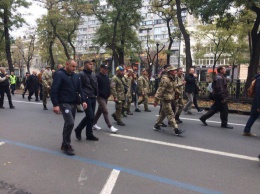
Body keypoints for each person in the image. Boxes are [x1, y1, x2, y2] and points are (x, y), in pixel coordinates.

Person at [51, 59, 87, 156]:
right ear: (67, 64)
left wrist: (83, 100)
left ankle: (64, 143)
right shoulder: (59, 75)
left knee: (68, 124)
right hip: (64, 103)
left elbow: (80, 89)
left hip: (73, 103)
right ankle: (67, 145)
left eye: (75, 66)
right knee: (70, 123)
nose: (74, 68)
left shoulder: (75, 76)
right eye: (73, 66)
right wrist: (55, 105)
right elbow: (54, 90)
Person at [153, 66, 184, 135]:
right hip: (165, 99)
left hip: (170, 98)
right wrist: (156, 100)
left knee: (163, 114)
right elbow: (160, 90)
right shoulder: (165, 79)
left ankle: (157, 125)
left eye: (175, 70)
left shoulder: (172, 79)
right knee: (170, 114)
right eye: (174, 70)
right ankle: (176, 129)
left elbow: (174, 87)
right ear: (170, 72)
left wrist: (178, 92)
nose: (175, 71)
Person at [74, 60, 99, 141]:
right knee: (90, 116)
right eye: (90, 64)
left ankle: (89, 134)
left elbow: (95, 85)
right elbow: (79, 87)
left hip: (93, 97)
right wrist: (83, 98)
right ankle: (78, 129)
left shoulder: (92, 74)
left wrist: (96, 94)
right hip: (86, 97)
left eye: (92, 64)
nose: (92, 65)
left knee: (91, 117)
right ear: (85, 65)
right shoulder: (81, 74)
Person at [92, 64, 118, 133]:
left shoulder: (106, 76)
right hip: (100, 97)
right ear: (101, 68)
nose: (106, 70)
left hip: (106, 96)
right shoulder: (97, 76)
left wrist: (111, 87)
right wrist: (99, 93)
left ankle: (93, 123)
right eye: (105, 69)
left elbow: (107, 85)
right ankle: (110, 126)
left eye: (107, 69)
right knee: (105, 111)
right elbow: (95, 86)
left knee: (100, 111)